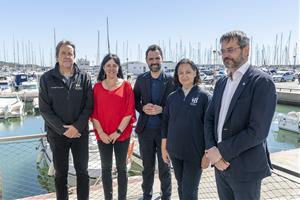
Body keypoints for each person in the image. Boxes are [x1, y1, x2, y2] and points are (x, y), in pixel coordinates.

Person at [204, 30, 277, 200]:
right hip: (220, 167)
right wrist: (212, 151)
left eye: (230, 49)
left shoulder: (261, 82)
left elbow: (257, 132)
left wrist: (220, 152)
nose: (225, 55)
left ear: (246, 50)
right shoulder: (221, 82)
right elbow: (209, 119)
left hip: (246, 170)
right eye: (222, 51)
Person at [39, 40, 93, 200]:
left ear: (74, 56)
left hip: (79, 134)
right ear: (57, 56)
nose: (67, 56)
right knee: (60, 174)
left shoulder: (84, 78)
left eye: (70, 53)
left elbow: (88, 106)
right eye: (63, 53)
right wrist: (63, 130)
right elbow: (44, 109)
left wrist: (76, 128)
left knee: (82, 172)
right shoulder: (46, 79)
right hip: (57, 135)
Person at [161, 58, 211, 200]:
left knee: (189, 191)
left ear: (195, 72)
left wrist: (207, 154)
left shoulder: (204, 97)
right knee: (181, 186)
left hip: (195, 153)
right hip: (175, 152)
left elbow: (209, 127)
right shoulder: (172, 97)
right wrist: (164, 148)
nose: (184, 75)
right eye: (181, 73)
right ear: (177, 75)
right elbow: (165, 123)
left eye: (188, 72)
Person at [90, 53, 136, 200]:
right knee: (106, 169)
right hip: (102, 136)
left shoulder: (126, 86)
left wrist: (117, 132)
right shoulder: (96, 88)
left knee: (122, 169)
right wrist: (101, 133)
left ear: (118, 68)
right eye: (108, 65)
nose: (111, 68)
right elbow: (94, 113)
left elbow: (129, 112)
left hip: (121, 135)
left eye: (114, 65)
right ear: (103, 67)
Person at [133, 44, 176, 200]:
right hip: (145, 131)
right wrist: (143, 108)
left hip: (165, 133)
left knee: (165, 167)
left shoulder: (171, 81)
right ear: (146, 61)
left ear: (162, 59)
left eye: (157, 58)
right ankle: (147, 195)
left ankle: (166, 196)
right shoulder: (141, 79)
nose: (154, 61)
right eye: (151, 59)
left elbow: (176, 106)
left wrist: (162, 110)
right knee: (147, 168)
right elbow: (134, 100)